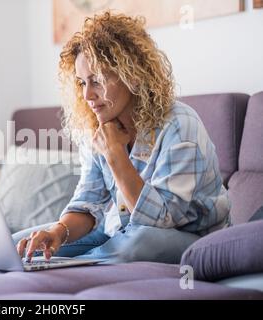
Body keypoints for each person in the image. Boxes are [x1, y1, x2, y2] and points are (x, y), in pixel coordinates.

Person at [13, 11, 230, 264]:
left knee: (138, 243)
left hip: (191, 237)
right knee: (19, 244)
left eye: (97, 80)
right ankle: (78, 262)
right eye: (82, 82)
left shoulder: (180, 125)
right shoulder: (97, 127)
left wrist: (115, 154)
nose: (87, 95)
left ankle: (82, 264)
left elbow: (162, 219)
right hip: (123, 232)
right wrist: (58, 233)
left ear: (132, 75)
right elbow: (88, 203)